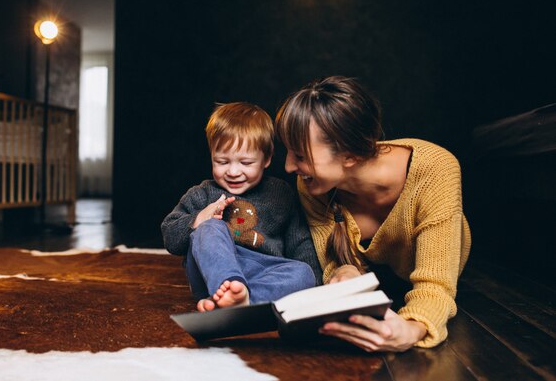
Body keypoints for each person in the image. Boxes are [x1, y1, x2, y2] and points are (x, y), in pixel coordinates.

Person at [275, 76, 471, 351]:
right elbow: (333, 259)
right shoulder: (312, 186)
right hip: (383, 286)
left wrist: (413, 329)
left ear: (351, 156)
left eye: (300, 156)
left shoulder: (436, 170)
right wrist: (345, 272)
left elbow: (436, 284)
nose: (288, 167)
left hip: (438, 273)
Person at [161, 102, 323, 312]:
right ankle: (228, 288)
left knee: (304, 272)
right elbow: (170, 237)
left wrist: (315, 285)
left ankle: (244, 299)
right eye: (222, 162)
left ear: (267, 158)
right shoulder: (202, 193)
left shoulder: (281, 194)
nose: (233, 171)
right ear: (211, 155)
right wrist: (198, 220)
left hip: (264, 271)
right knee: (210, 228)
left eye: (245, 163)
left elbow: (301, 242)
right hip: (211, 273)